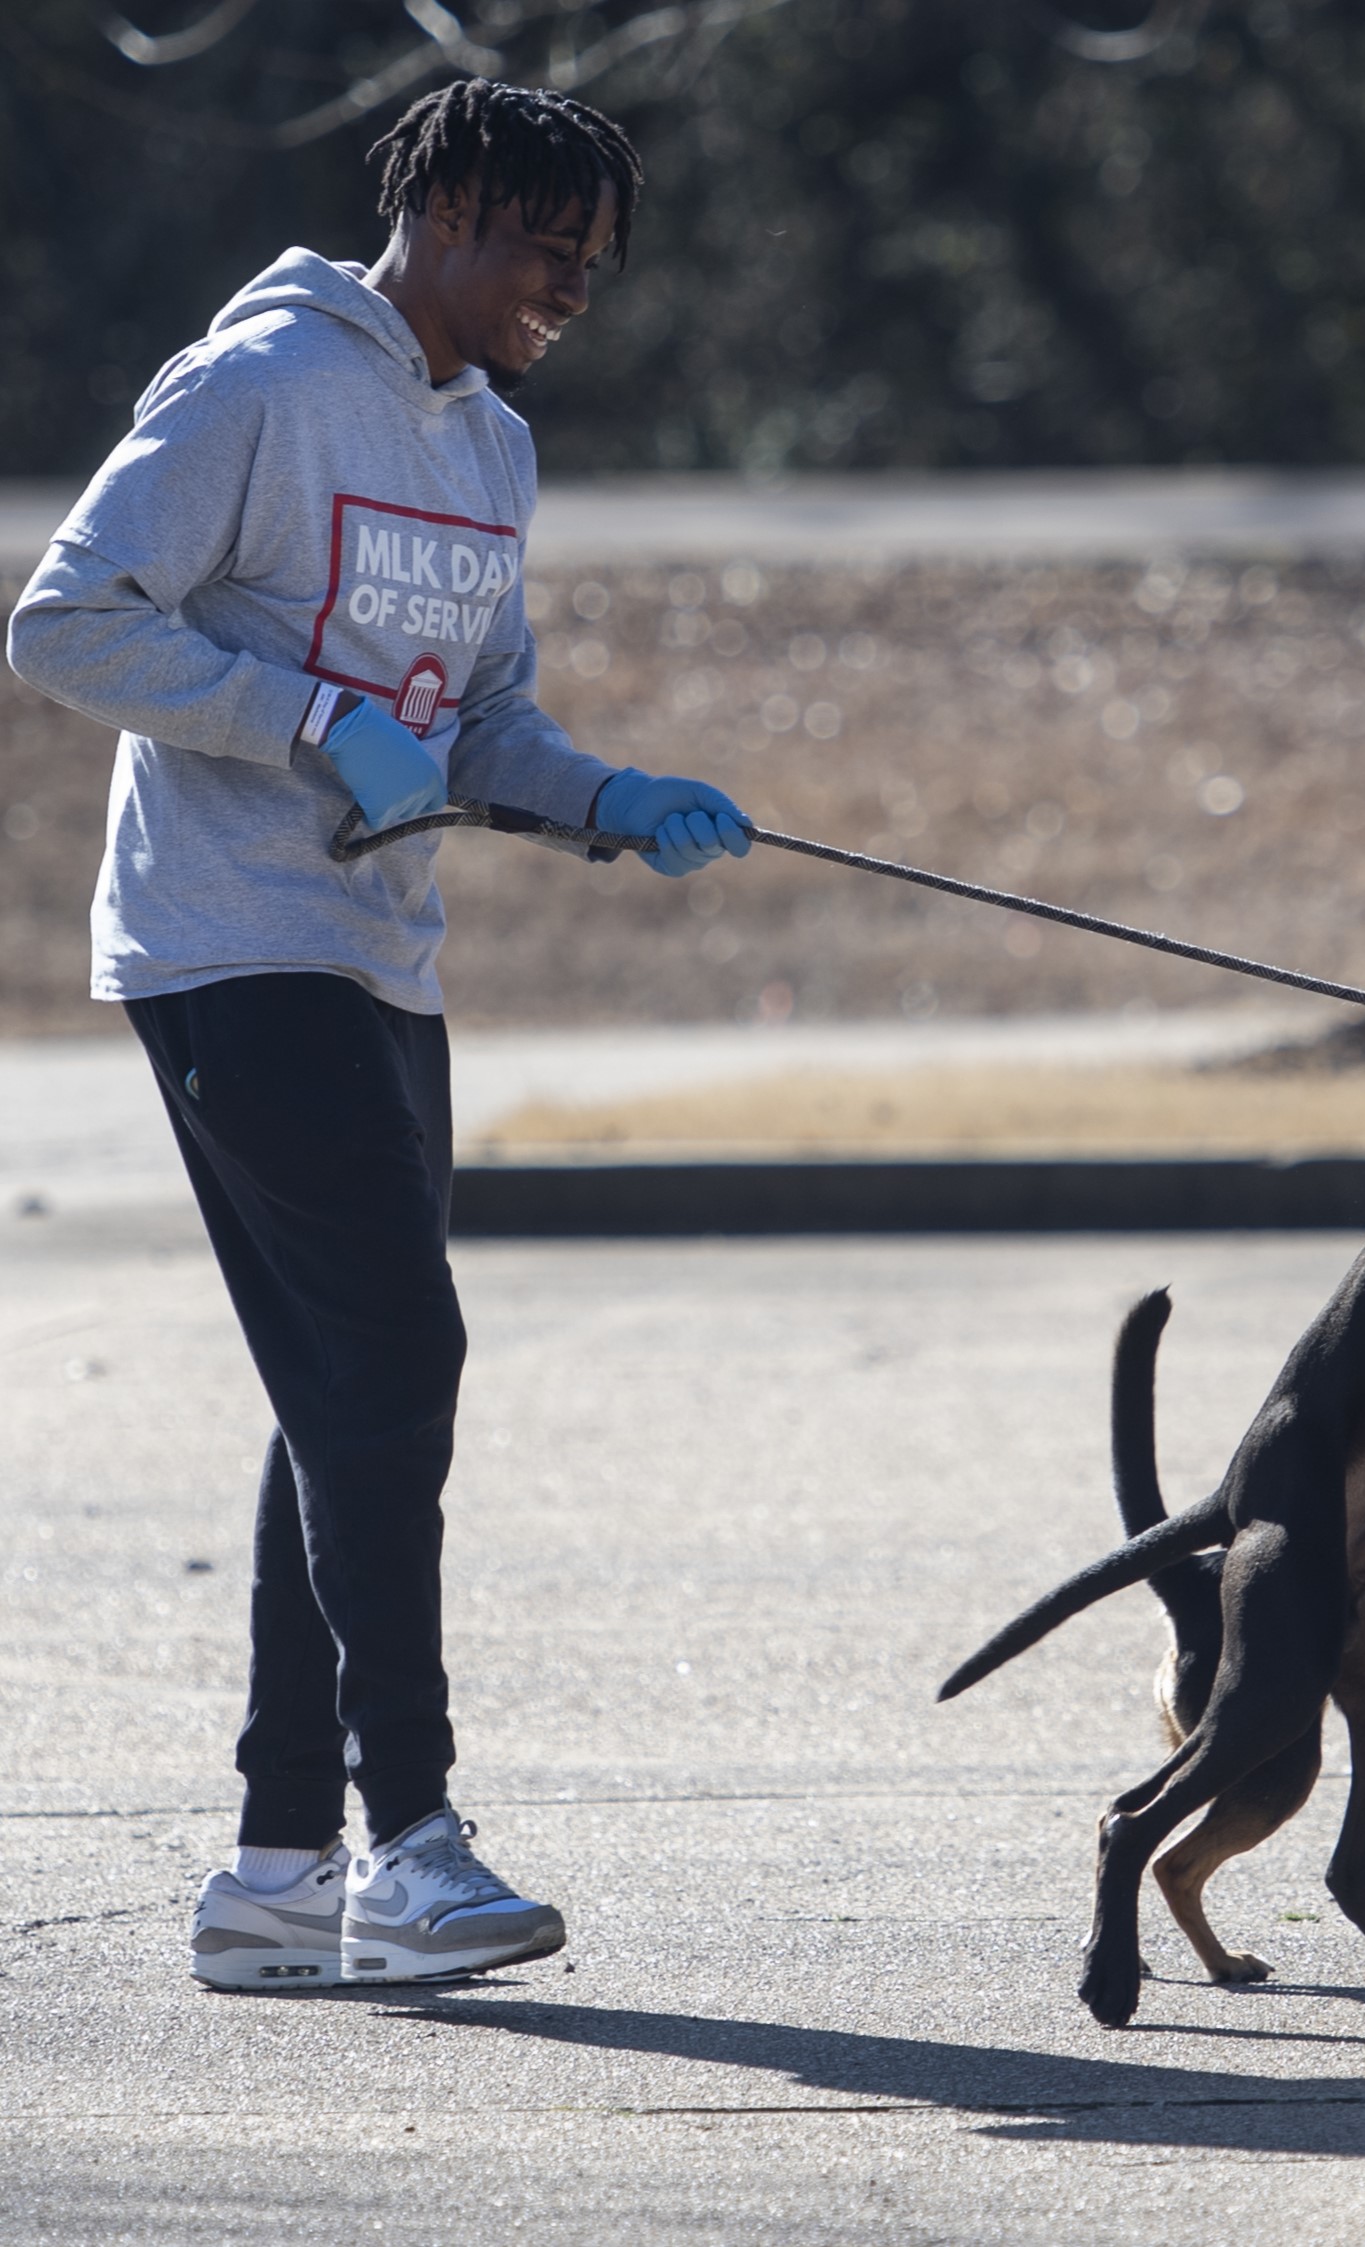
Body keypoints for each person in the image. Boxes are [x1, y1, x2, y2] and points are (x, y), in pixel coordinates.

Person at [7, 79, 753, 1992]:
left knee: (342, 1395)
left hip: (381, 956)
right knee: (394, 1358)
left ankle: (274, 1870)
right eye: (544, 248)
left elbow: (480, 714)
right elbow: (66, 621)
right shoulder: (254, 387)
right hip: (226, 947)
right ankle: (412, 1841)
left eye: (595, 265)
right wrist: (309, 721)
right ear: (442, 209)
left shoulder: (492, 448)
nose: (570, 291)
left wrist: (604, 796)